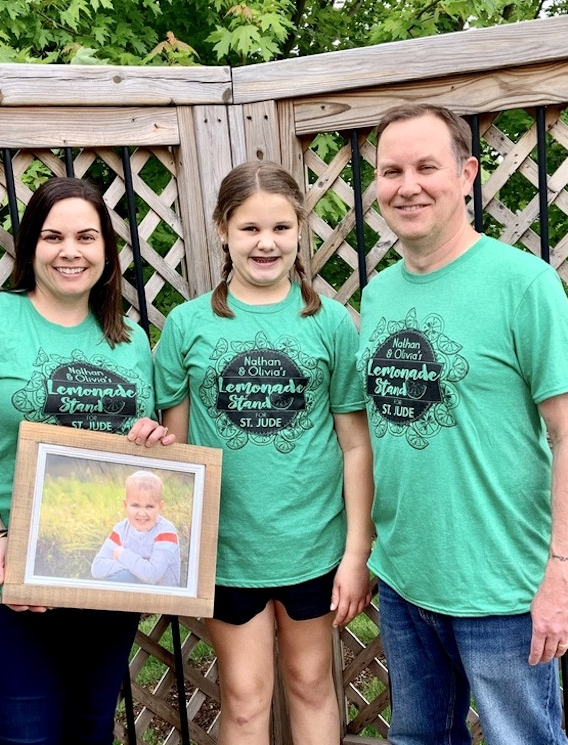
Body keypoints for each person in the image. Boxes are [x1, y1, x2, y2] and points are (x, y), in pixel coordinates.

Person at [356, 103, 568, 744]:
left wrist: (564, 572)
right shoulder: (378, 292)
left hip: (502, 588)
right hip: (406, 577)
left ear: (466, 174)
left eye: (426, 167)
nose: (407, 185)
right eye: (391, 170)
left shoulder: (523, 284)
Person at [0, 176, 173, 745]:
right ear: (31, 245)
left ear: (107, 249)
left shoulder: (127, 341)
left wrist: (147, 441)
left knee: (90, 732)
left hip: (107, 575)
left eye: (86, 236)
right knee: (26, 739)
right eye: (53, 236)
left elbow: (124, 454)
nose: (70, 251)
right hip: (9, 579)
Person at [154, 160, 374, 745]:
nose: (266, 242)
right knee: (246, 700)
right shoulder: (187, 325)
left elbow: (356, 443)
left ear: (299, 229)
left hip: (315, 545)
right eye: (249, 228)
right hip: (228, 552)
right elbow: (177, 455)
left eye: (280, 227)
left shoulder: (330, 323)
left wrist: (357, 551)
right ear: (222, 230)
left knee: (311, 683)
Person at [91, 469, 181, 586]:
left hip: (163, 599)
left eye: (149, 507)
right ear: (125, 505)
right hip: (133, 592)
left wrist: (121, 554)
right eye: (135, 506)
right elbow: (97, 568)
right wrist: (136, 568)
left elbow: (152, 575)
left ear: (160, 507)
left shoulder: (166, 532)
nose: (142, 513)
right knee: (121, 577)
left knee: (123, 576)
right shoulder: (121, 530)